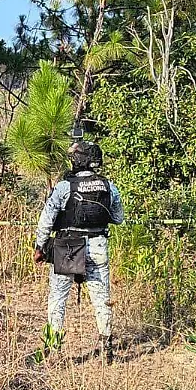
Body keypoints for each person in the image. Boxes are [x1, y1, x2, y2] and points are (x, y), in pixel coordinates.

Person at [33, 140, 124, 362]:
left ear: (78, 160)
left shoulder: (65, 187)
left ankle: (53, 349)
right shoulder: (109, 186)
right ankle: (106, 348)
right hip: (98, 245)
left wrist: (39, 247)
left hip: (67, 247)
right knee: (102, 299)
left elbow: (47, 220)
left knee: (58, 298)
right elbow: (118, 218)